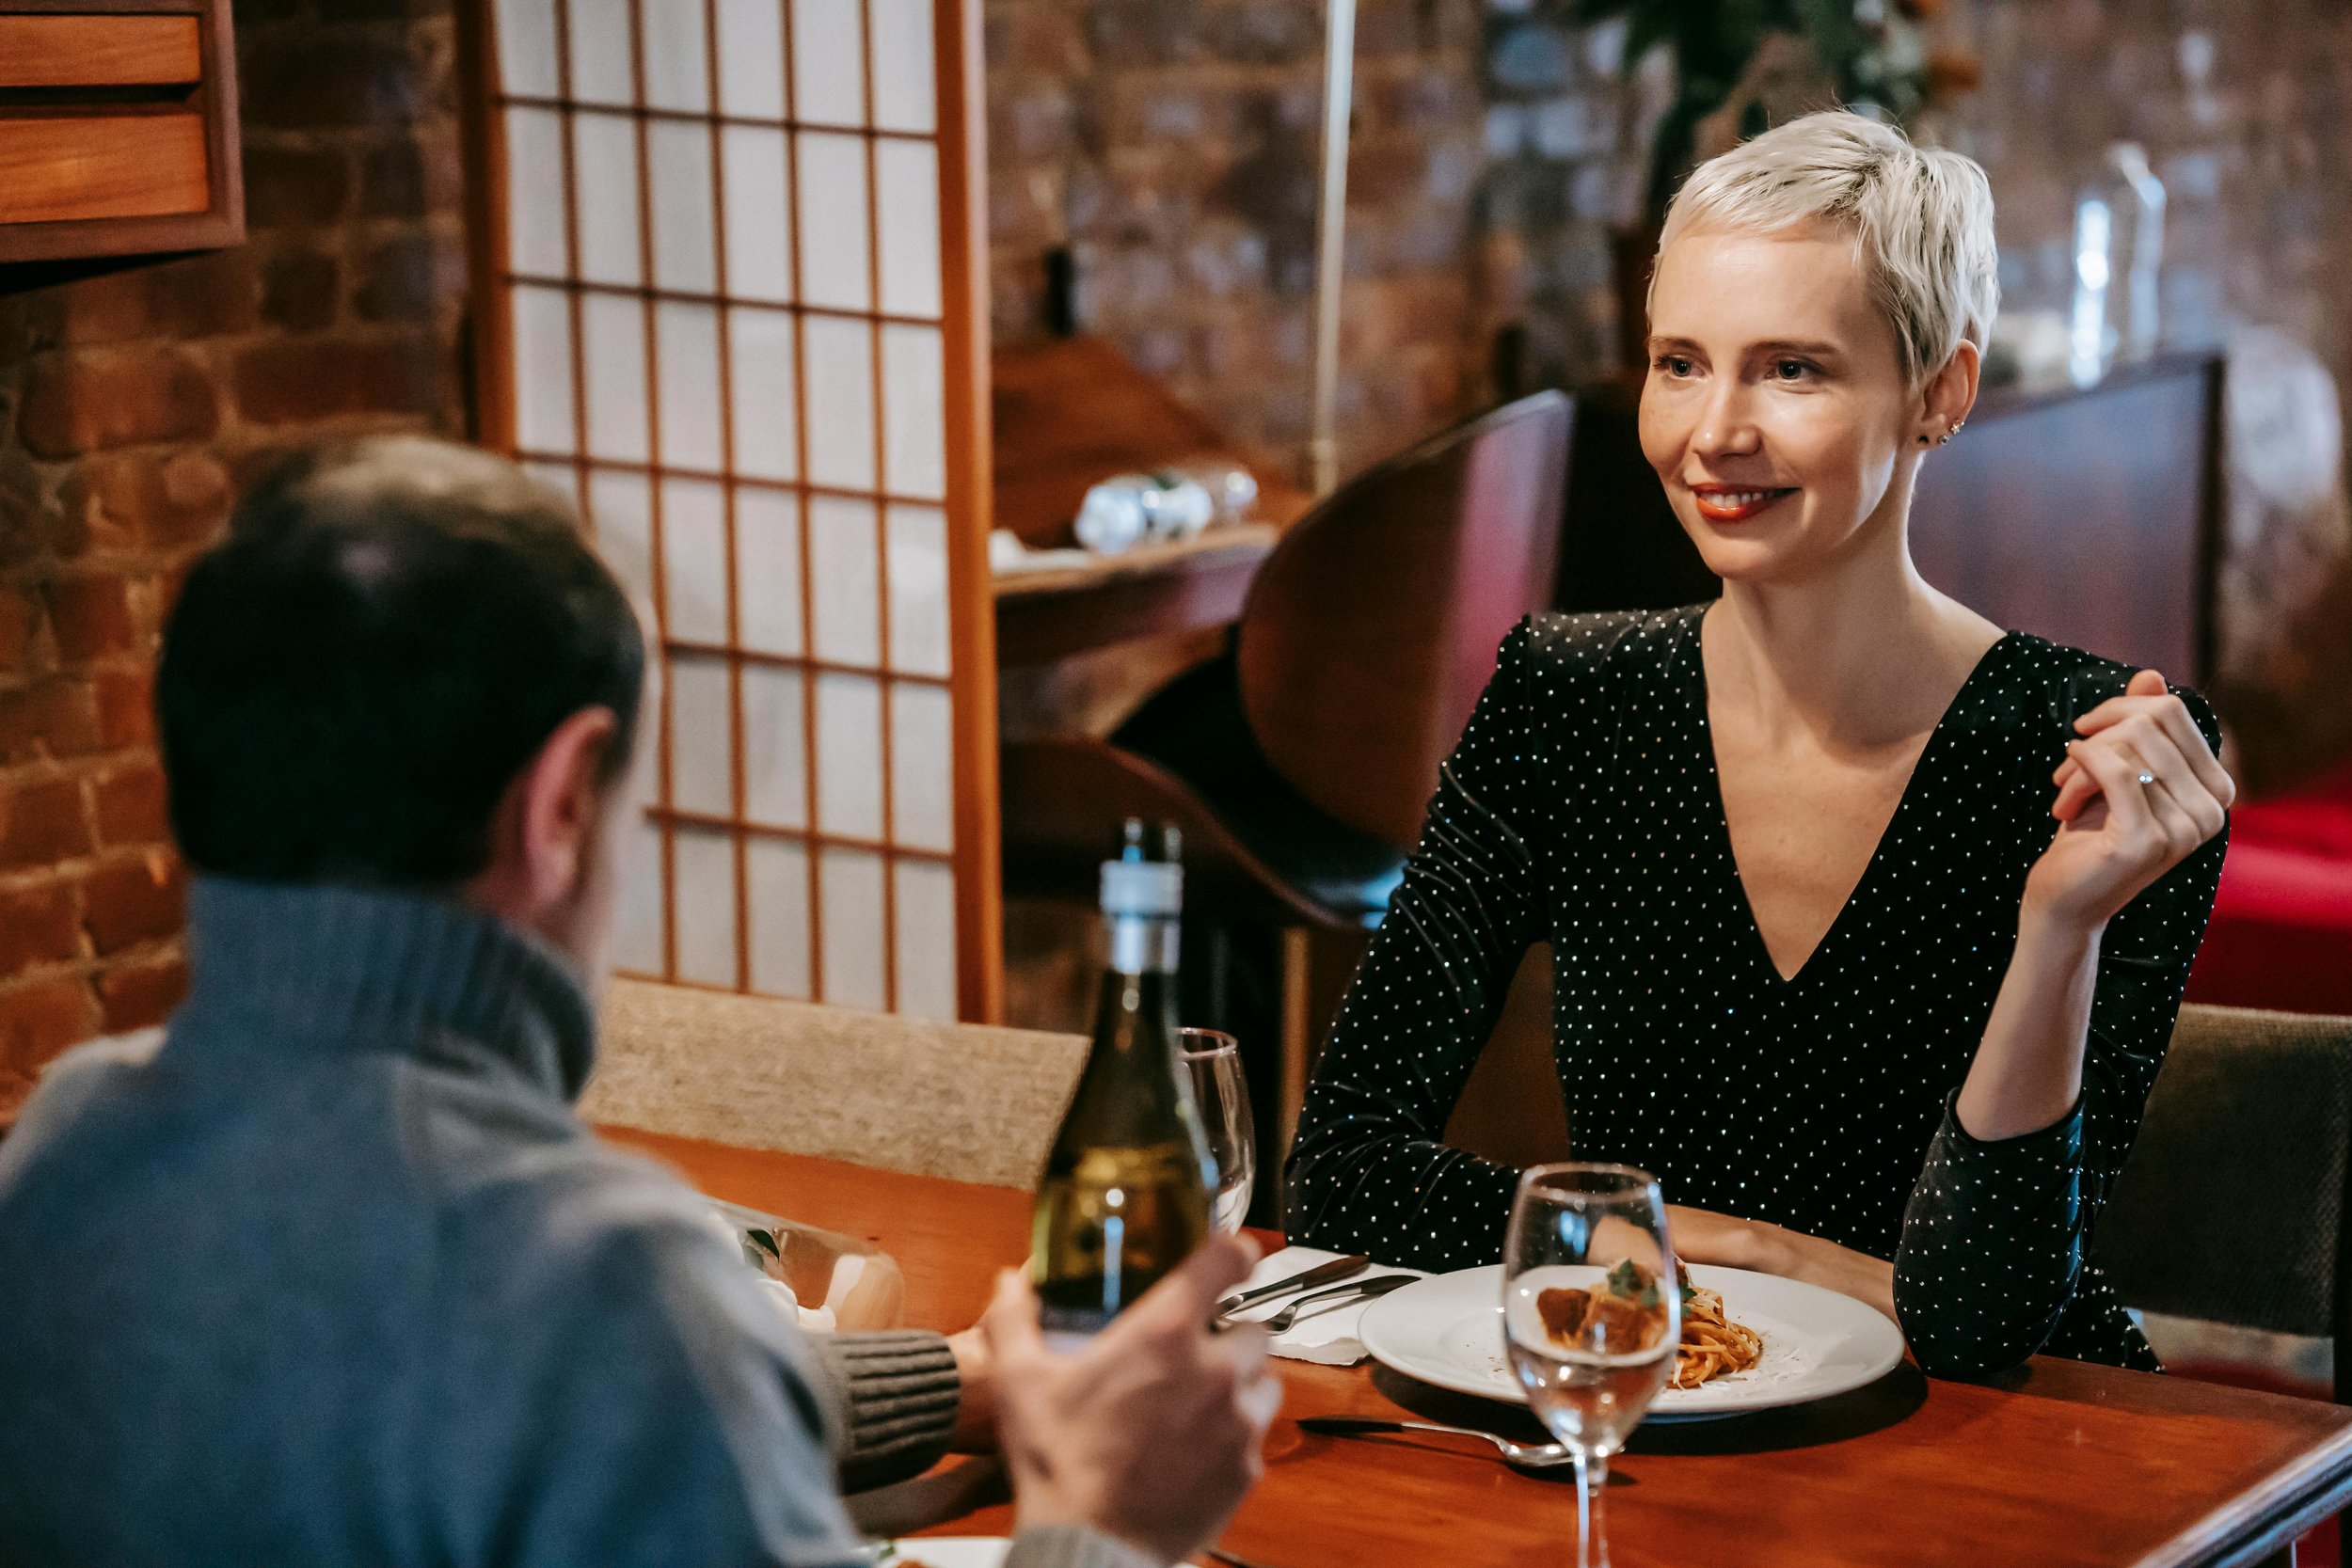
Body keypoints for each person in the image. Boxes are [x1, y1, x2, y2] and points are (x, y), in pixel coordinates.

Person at [0, 437, 1279, 1566]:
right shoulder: (591, 1273)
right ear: (561, 804)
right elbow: (569, 1360)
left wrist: (967, 1381)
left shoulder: (63, 1160)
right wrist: (1103, 1522)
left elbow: (472, 1393)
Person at [1283, 111, 2234, 1378]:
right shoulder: (1563, 700)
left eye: (1793, 369)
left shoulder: (2094, 765)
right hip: (1671, 1404)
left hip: (2003, 1458)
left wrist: (2060, 927)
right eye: (1680, 362)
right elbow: (1341, 1171)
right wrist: (1747, 1255)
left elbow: (1985, 1325)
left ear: (1940, 393)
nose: (1714, 431)